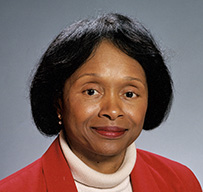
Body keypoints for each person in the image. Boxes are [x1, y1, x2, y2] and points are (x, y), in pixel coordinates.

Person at [0, 13, 202, 192]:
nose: (112, 111)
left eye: (129, 94)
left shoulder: (180, 184)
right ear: (58, 101)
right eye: (91, 91)